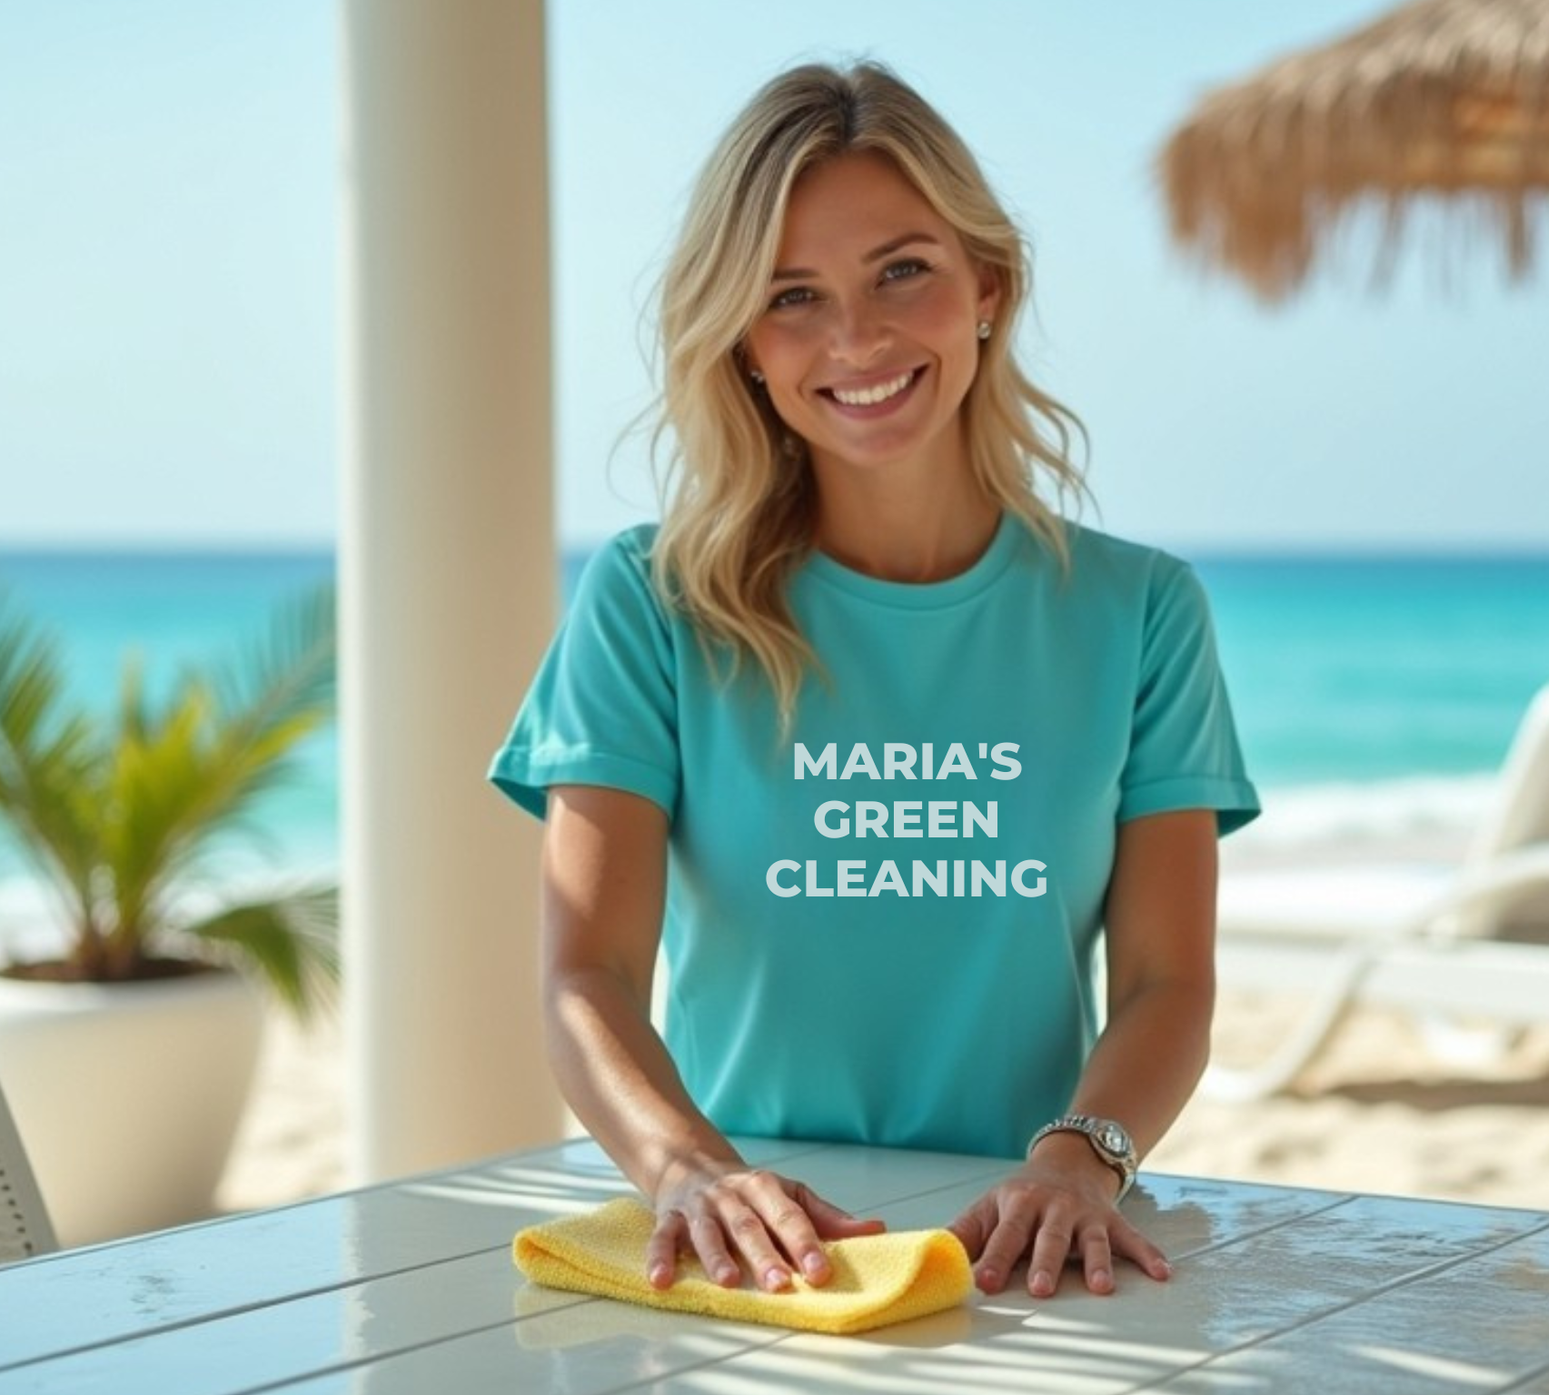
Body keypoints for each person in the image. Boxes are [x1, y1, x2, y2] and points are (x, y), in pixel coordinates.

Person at [490, 60, 1257, 1303]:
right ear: (740, 340)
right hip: (754, 1241)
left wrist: (1080, 1164)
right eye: (792, 295)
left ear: (987, 288)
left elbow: (1168, 984)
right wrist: (688, 1170)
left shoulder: (1141, 613)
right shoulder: (651, 601)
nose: (854, 338)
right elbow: (584, 978)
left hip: (1031, 1250)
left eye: (902, 269)